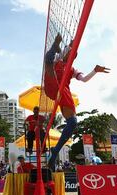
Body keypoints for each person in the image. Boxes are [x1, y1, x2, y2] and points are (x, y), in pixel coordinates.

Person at [44, 34, 110, 171]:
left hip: (63, 91)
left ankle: (55, 152)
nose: (70, 56)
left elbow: (84, 79)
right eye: (69, 53)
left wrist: (95, 71)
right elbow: (55, 57)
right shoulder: (59, 59)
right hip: (52, 84)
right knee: (49, 61)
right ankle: (53, 46)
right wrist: (68, 45)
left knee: (73, 122)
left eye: (73, 55)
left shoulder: (72, 69)